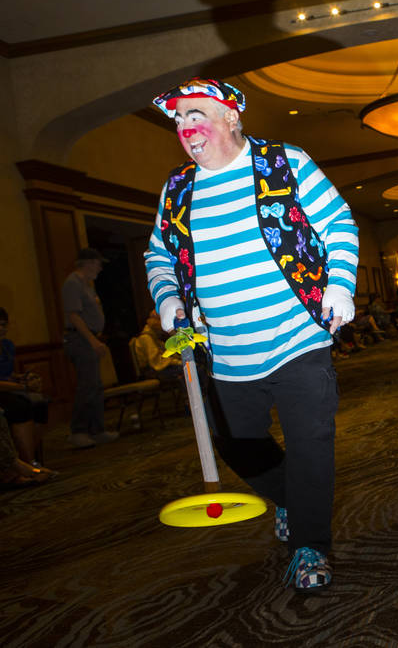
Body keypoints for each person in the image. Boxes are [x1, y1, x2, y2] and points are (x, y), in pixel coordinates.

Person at [144, 77, 358, 592]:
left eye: (195, 114)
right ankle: (289, 498)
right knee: (236, 442)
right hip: (226, 351)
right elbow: (159, 255)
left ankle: (309, 546)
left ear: (231, 118)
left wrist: (342, 284)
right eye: (178, 120)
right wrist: (168, 298)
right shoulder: (177, 188)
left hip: (298, 336)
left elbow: (339, 223)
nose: (186, 127)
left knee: (311, 443)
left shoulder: (284, 162)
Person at [0, 305, 50, 466]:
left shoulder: (7, 345)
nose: (0, 329)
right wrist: (25, 388)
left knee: (41, 402)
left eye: (3, 325)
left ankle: (31, 458)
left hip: (5, 389)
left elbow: (5, 374)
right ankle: (26, 462)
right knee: (21, 407)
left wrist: (24, 378)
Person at [62, 247, 118, 448]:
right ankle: (78, 431)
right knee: (87, 385)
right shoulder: (73, 283)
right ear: (87, 262)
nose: (100, 268)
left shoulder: (87, 284)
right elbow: (74, 315)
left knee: (95, 386)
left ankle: (96, 430)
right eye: (97, 263)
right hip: (80, 340)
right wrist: (92, 341)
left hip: (90, 338)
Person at [131, 310, 182, 382]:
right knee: (186, 370)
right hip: (151, 372)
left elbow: (167, 353)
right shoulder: (146, 338)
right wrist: (177, 362)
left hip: (158, 369)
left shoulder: (154, 337)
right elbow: (157, 363)